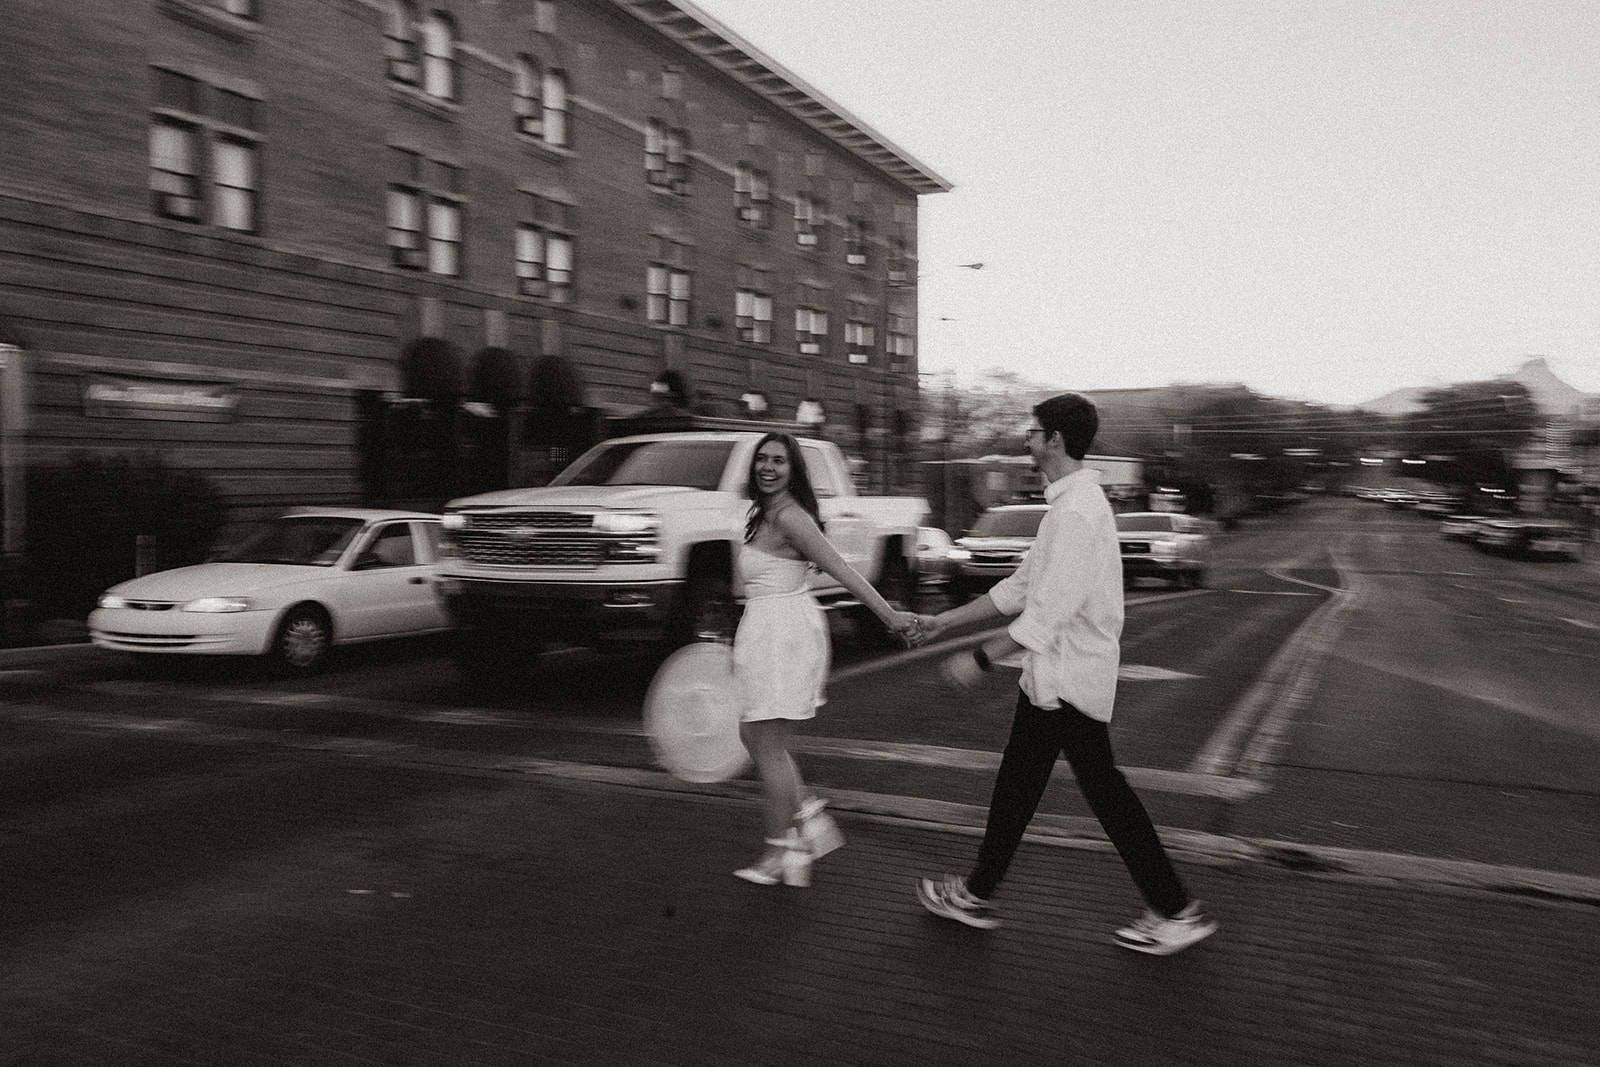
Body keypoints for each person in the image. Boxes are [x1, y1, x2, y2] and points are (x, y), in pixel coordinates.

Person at [911, 393, 1218, 955]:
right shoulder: (1068, 507)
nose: (1026, 441)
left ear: (1054, 439)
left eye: (1032, 432)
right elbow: (1020, 588)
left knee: (1099, 794)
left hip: (1070, 682)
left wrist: (978, 659)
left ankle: (1176, 909)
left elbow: (1047, 614)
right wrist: (943, 622)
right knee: (1023, 789)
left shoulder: (1079, 513)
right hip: (1052, 681)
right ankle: (980, 892)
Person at [733, 432, 920, 887]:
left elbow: (843, 570)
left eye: (779, 461)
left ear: (794, 469)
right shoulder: (763, 514)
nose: (768, 467)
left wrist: (890, 615)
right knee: (753, 736)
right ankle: (807, 819)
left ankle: (782, 850)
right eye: (762, 459)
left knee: (770, 744)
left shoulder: (793, 518)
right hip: (764, 629)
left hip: (785, 635)